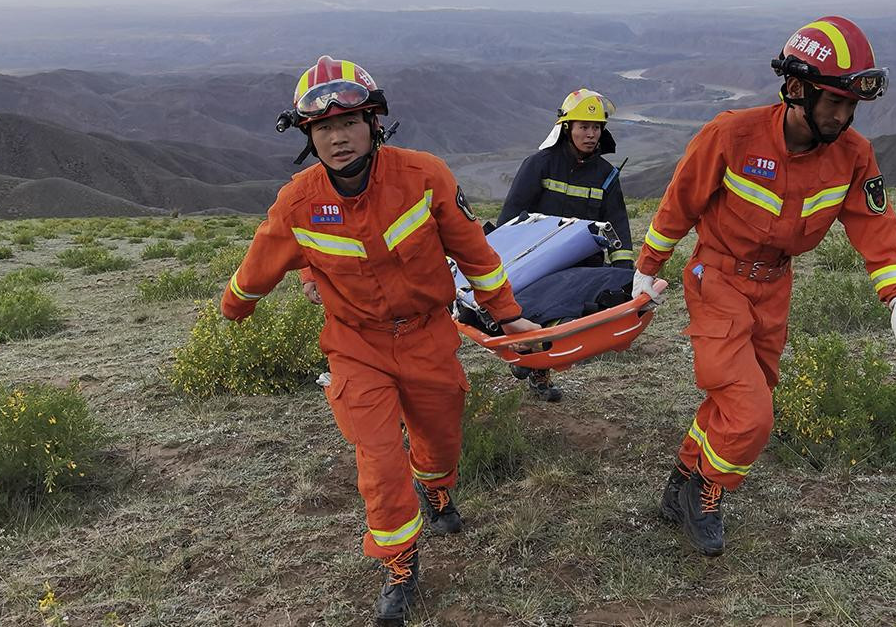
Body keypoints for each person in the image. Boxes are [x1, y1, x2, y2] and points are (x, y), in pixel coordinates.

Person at [221, 56, 538, 624]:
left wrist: (508, 317)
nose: (337, 138)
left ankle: (437, 489)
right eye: (322, 128)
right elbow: (258, 265)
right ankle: (399, 560)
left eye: (349, 123)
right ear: (307, 136)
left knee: (439, 439)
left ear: (374, 124)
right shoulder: (297, 202)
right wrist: (236, 307)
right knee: (379, 457)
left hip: (428, 336)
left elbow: (474, 251)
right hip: (355, 347)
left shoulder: (424, 175)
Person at [631, 17, 896, 557]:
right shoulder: (731, 135)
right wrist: (648, 267)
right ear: (796, 89)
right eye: (832, 101)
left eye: (849, 105)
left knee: (738, 400)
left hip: (774, 288)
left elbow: (874, 226)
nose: (842, 115)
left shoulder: (854, 154)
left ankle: (680, 482)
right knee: (751, 415)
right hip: (715, 279)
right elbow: (680, 203)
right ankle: (707, 492)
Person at [496, 89, 634, 402]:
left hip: (582, 264)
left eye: (596, 127)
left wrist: (624, 271)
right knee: (535, 313)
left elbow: (618, 223)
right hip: (537, 259)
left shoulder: (606, 176)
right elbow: (511, 215)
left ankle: (536, 366)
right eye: (584, 126)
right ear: (567, 127)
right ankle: (533, 365)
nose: (591, 134)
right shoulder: (540, 164)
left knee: (562, 319)